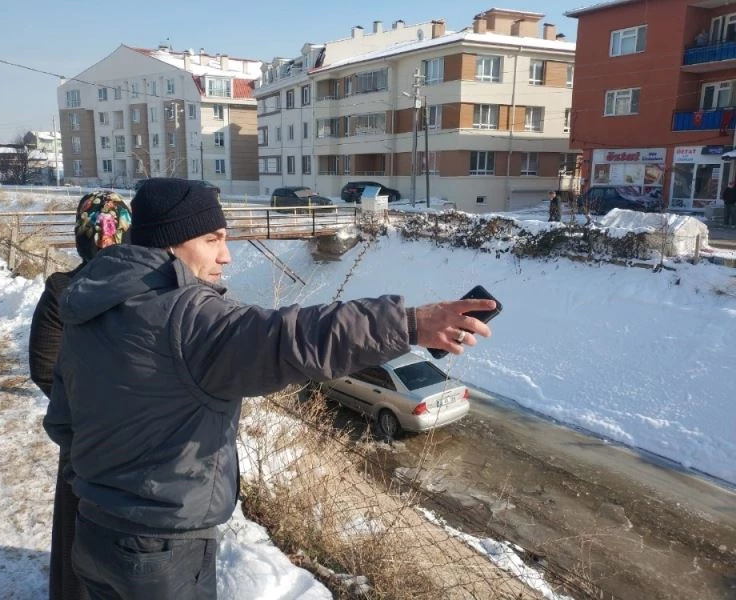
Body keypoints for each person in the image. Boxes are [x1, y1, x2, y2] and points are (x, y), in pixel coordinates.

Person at [44, 178, 496, 600]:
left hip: (92, 530)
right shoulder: (187, 317)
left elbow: (63, 421)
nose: (227, 257)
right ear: (171, 243)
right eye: (212, 239)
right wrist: (410, 324)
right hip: (160, 550)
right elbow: (295, 337)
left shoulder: (89, 303)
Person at [29, 191, 132, 600]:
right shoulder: (149, 290)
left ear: (81, 237)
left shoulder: (62, 289)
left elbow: (42, 365)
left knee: (78, 528)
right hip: (139, 435)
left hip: (83, 434)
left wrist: (84, 411)